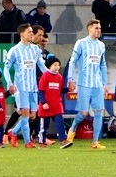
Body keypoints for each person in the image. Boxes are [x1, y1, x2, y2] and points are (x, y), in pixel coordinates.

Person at [61, 19, 110, 150]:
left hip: (97, 84)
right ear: (89, 29)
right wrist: (70, 79)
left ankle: (95, 141)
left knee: (99, 112)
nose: (98, 30)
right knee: (83, 113)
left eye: (99, 28)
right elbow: (72, 62)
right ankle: (72, 128)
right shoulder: (81, 43)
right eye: (96, 28)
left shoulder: (101, 45)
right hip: (84, 84)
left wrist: (104, 83)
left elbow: (103, 65)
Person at [3, 23, 48, 148]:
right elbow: (6, 68)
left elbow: (41, 65)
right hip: (21, 88)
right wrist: (10, 84)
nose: (32, 34)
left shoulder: (35, 49)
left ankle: (13, 132)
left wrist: (51, 76)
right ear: (22, 34)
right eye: (30, 32)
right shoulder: (14, 50)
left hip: (33, 88)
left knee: (32, 115)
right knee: (25, 113)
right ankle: (28, 142)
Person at [37, 55, 67, 146]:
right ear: (49, 66)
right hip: (46, 105)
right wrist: (43, 102)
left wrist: (68, 89)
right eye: (54, 65)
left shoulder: (59, 77)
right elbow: (41, 90)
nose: (57, 67)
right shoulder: (45, 76)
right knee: (44, 126)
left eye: (58, 65)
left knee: (60, 123)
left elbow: (60, 90)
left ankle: (63, 140)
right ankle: (42, 141)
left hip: (56, 105)